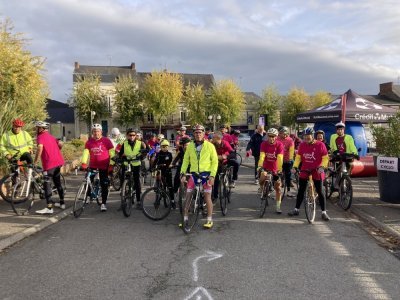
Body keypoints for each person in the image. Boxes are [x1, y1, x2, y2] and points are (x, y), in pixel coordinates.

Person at [180, 124, 218, 230]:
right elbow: (186, 160)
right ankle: (185, 218)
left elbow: (214, 162)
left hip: (206, 174)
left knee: (207, 196)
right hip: (194, 174)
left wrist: (212, 175)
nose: (198, 134)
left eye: (200, 132)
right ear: (193, 134)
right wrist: (182, 173)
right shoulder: (190, 146)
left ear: (204, 133)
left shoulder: (210, 146)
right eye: (196, 133)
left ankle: (209, 219)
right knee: (188, 196)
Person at [288, 127, 330, 221]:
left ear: (313, 136)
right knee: (301, 190)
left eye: (309, 136)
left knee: (320, 191)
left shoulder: (320, 144)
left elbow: (325, 158)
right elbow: (298, 157)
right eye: (305, 136)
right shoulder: (302, 145)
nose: (307, 137)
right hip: (305, 169)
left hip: (317, 170)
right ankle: (296, 209)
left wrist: (322, 166)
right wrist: (295, 167)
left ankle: (324, 212)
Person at [81, 124, 115, 212]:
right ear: (92, 132)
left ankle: (103, 203)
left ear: (101, 132)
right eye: (94, 131)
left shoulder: (106, 141)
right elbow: (85, 153)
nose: (96, 133)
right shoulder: (89, 142)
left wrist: (111, 164)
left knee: (104, 184)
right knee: (87, 181)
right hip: (93, 165)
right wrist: (84, 163)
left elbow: (112, 153)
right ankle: (88, 196)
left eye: (98, 131)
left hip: (104, 166)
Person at [33, 121, 65, 214]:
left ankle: (49, 207)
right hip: (58, 162)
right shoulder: (51, 136)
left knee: (47, 184)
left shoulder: (40, 137)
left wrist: (35, 161)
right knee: (57, 182)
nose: (36, 129)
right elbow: (61, 144)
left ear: (41, 129)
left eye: (37, 127)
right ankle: (62, 203)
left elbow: (39, 148)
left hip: (49, 164)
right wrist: (55, 151)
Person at [118, 128, 148, 209]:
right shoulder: (124, 144)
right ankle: (123, 200)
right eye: (130, 135)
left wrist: (141, 156)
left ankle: (138, 201)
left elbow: (146, 151)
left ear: (135, 136)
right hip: (126, 164)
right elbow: (120, 154)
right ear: (127, 136)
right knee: (123, 180)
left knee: (137, 182)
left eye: (133, 135)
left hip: (136, 164)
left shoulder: (140, 143)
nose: (132, 137)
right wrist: (118, 158)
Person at [258, 128, 284, 213]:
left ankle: (278, 206)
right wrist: (260, 166)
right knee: (262, 177)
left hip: (275, 168)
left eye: (273, 136)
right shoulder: (263, 144)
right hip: (265, 166)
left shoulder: (279, 145)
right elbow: (262, 156)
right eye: (269, 136)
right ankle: (262, 188)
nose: (271, 138)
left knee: (278, 188)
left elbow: (280, 158)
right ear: (267, 136)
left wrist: (279, 169)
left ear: (276, 137)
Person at [211, 133, 239, 201]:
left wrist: (226, 156)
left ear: (218, 139)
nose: (212, 139)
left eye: (214, 138)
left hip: (225, 160)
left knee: (236, 163)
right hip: (216, 162)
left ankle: (233, 179)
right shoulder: (212, 144)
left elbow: (233, 153)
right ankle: (215, 196)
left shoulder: (225, 143)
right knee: (216, 178)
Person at [153, 139, 175, 208]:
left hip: (167, 171)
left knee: (170, 187)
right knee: (158, 185)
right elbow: (155, 161)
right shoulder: (158, 154)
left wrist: (170, 165)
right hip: (160, 170)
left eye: (166, 146)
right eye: (163, 146)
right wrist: (152, 167)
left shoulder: (170, 154)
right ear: (161, 147)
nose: (164, 148)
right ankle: (157, 199)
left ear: (168, 147)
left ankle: (172, 200)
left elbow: (171, 162)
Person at [277, 126, 295, 197]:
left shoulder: (290, 140)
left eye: (286, 134)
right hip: (279, 159)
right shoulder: (277, 139)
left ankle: (288, 190)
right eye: (282, 133)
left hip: (287, 160)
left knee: (288, 175)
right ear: (279, 133)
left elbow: (291, 150)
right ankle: (276, 188)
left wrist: (290, 159)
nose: (284, 135)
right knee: (277, 173)